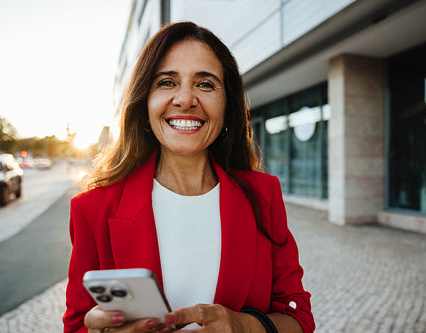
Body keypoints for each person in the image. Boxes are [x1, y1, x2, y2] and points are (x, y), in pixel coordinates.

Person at [63, 21, 315, 333]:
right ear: (145, 101)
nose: (185, 99)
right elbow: (77, 325)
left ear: (227, 105)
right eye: (167, 82)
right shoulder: (92, 209)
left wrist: (244, 326)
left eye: (205, 84)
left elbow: (300, 319)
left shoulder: (265, 195)